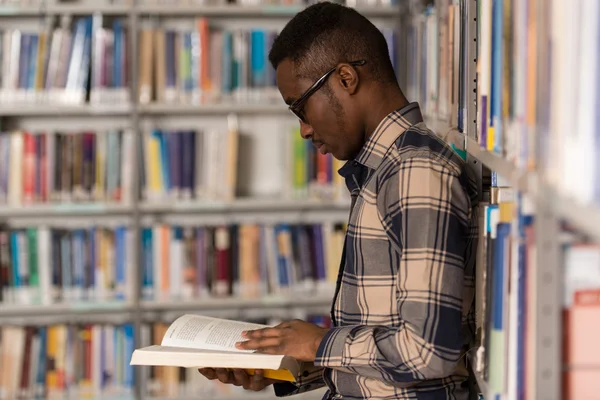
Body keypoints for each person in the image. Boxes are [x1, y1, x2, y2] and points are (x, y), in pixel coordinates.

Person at [199, 2, 478, 399]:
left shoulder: (415, 172)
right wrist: (284, 364)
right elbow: (388, 346)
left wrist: (317, 343)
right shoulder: (384, 171)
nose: (304, 130)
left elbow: (429, 350)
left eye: (300, 106)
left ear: (346, 78)